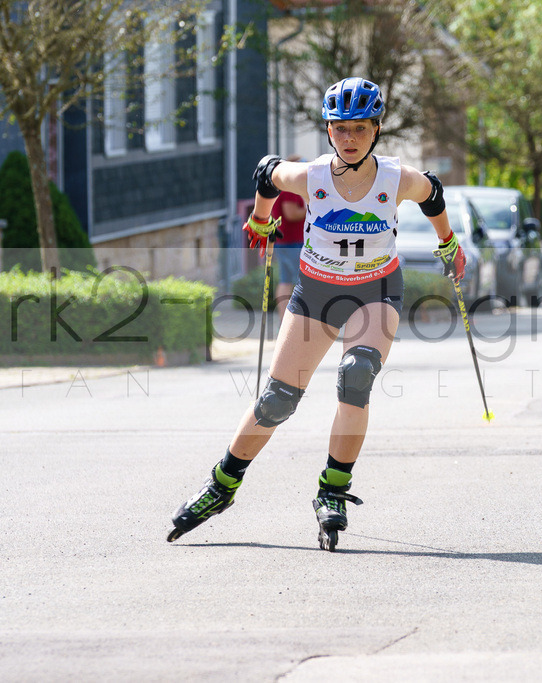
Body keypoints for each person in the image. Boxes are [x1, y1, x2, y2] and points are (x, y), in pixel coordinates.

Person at [167, 77, 464, 551]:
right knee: (278, 400)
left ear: (377, 129)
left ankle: (333, 490)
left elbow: (433, 193)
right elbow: (267, 172)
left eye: (360, 128)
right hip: (318, 291)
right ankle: (222, 485)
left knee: (356, 375)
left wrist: (448, 242)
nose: (349, 138)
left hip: (376, 289)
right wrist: (261, 218)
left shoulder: (396, 178)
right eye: (340, 128)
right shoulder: (312, 176)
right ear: (328, 130)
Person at [270, 155, 306, 311]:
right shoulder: (290, 188)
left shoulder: (283, 187)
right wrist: (312, 209)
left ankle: (284, 319)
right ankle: (295, 318)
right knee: (301, 282)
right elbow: (291, 214)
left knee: (285, 281)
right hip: (292, 241)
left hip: (285, 241)